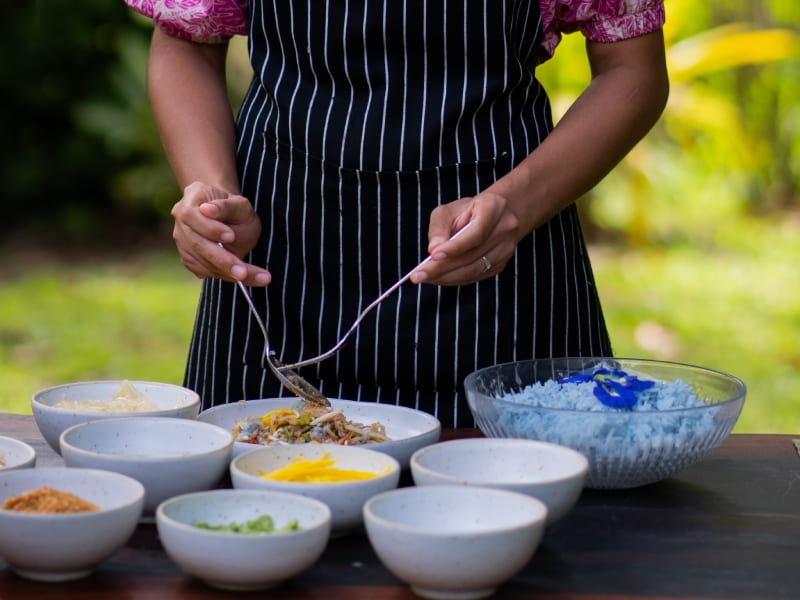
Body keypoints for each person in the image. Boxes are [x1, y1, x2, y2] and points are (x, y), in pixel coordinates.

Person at [124, 0, 669, 428]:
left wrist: (516, 205)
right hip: (278, 267)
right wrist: (212, 193)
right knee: (250, 514)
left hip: (501, 268)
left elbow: (631, 69)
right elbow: (187, 41)